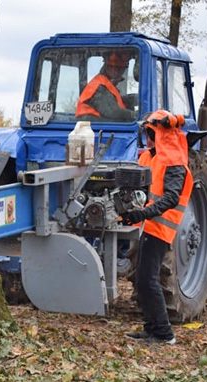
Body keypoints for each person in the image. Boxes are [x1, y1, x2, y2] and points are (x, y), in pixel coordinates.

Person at [123, 110, 193, 345]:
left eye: (149, 133)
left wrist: (142, 213)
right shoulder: (151, 157)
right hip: (149, 226)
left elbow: (171, 198)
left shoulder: (174, 162)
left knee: (149, 279)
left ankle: (164, 333)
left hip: (160, 229)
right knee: (143, 280)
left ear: (157, 133)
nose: (146, 137)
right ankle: (152, 327)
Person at [76, 51, 136, 122]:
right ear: (108, 68)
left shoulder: (107, 85)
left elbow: (113, 101)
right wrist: (134, 115)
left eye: (121, 70)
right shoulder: (99, 86)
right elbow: (112, 112)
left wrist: (132, 99)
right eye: (117, 69)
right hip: (91, 129)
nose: (119, 73)